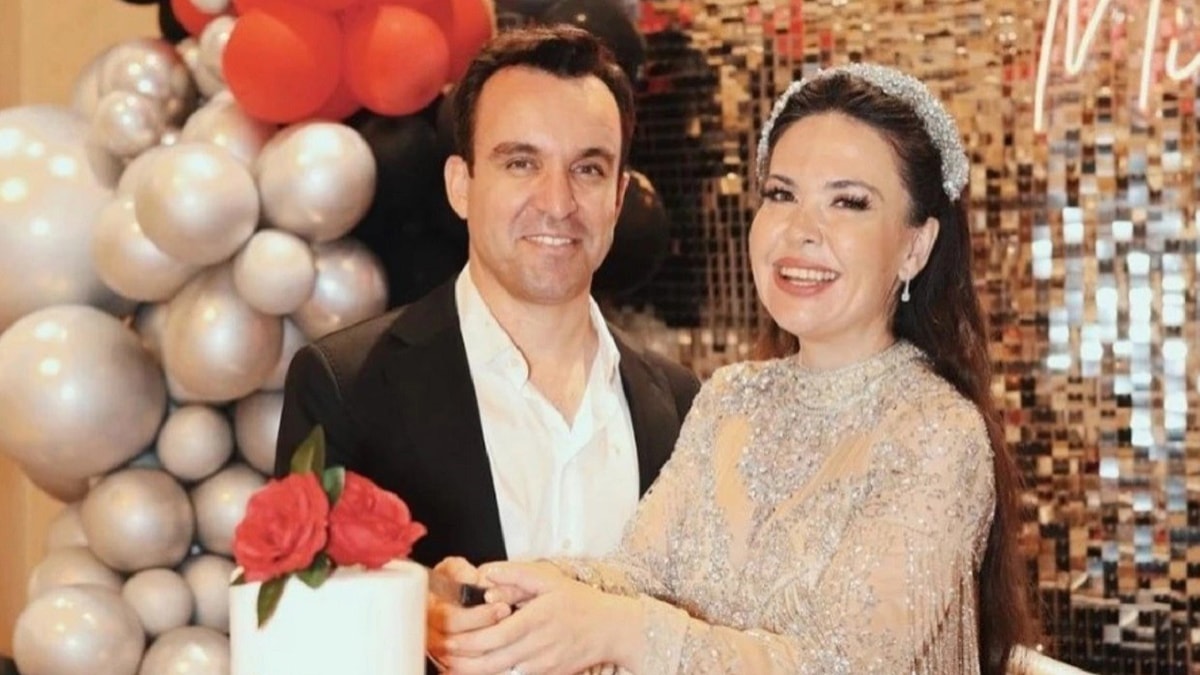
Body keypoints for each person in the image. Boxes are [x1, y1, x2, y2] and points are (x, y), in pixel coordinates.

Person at [433, 63, 1032, 675]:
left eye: (848, 202)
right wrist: (504, 589)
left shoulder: (937, 433)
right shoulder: (733, 397)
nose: (800, 231)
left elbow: (845, 666)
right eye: (781, 195)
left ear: (916, 246)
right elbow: (640, 574)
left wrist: (625, 632)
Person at [274, 24, 699, 594]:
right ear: (461, 185)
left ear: (618, 199)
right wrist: (423, 619)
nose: (557, 203)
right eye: (521, 163)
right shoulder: (347, 387)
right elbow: (303, 621)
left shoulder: (680, 406)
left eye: (588, 169)